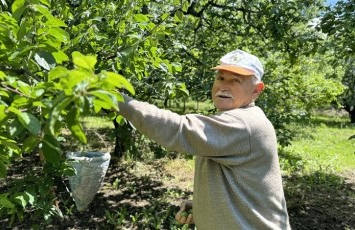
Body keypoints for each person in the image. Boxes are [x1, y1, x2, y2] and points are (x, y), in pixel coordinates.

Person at [117, 49, 291, 229]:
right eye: (221, 78)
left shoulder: (244, 124)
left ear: (256, 90)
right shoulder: (236, 119)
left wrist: (113, 98)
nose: (224, 86)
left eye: (236, 81)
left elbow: (179, 129)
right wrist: (201, 206)